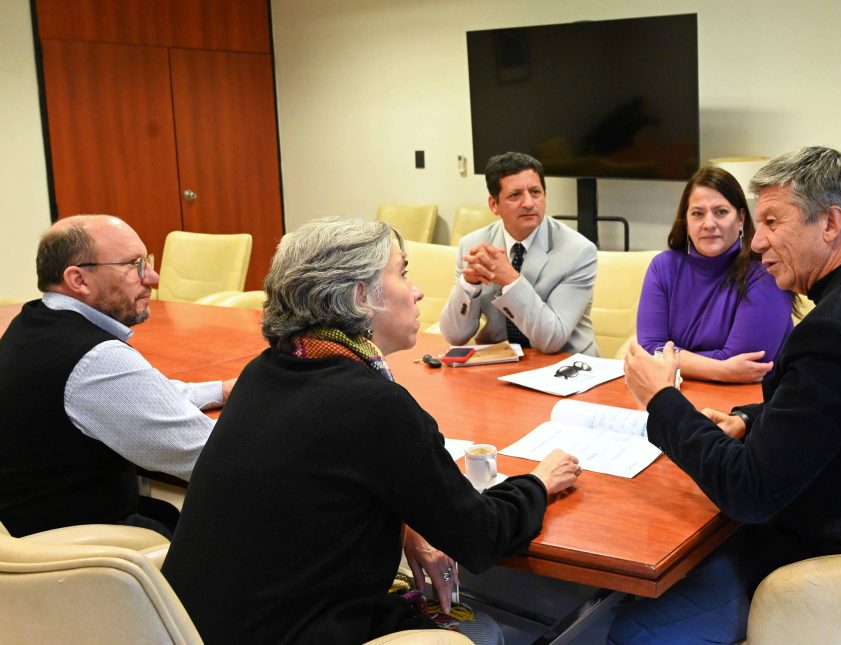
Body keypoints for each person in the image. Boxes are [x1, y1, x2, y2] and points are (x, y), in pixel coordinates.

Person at [610, 147, 841, 644]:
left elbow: (749, 492)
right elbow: (839, 409)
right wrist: (750, 419)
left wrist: (662, 401)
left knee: (631, 629)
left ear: (831, 222)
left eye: (772, 221)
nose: (757, 240)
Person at [161, 218, 581, 644]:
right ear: (361, 296)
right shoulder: (373, 406)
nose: (417, 291)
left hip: (197, 628)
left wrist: (409, 522)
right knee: (485, 633)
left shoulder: (263, 372)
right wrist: (539, 482)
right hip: (292, 630)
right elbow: (481, 536)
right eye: (402, 273)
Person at [0, 215, 234, 539]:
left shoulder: (33, 322)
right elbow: (213, 455)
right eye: (134, 265)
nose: (153, 277)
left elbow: (132, 396)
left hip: (29, 526)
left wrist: (219, 390)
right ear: (79, 279)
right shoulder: (96, 359)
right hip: (83, 547)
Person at [636, 167, 793, 383]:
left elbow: (748, 366)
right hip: (675, 392)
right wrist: (721, 369)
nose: (709, 224)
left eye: (721, 212)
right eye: (697, 213)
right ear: (686, 221)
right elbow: (649, 349)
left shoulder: (766, 274)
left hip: (750, 400)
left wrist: (674, 360)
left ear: (741, 218)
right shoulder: (663, 267)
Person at [439, 151, 598, 356]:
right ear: (494, 205)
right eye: (515, 195)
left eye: (535, 192)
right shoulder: (472, 245)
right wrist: (469, 285)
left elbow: (552, 340)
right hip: (501, 360)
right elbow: (454, 336)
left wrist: (511, 280)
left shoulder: (578, 251)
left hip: (566, 363)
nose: (529, 203)